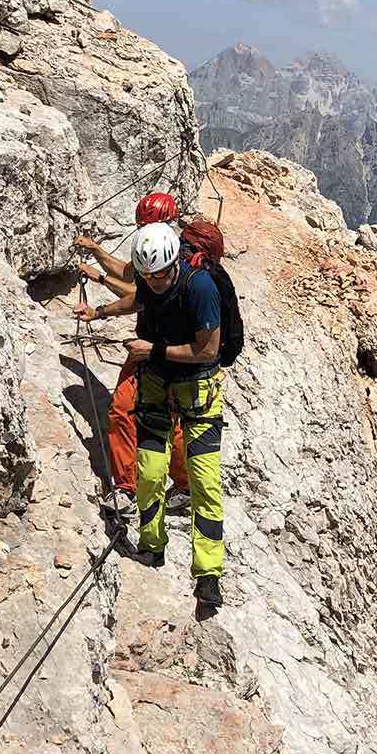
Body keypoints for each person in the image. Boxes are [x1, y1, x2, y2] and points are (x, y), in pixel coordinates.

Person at [74, 222, 226, 610]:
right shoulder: (150, 279)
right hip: (157, 389)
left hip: (198, 392)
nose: (156, 283)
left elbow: (208, 351)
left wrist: (152, 351)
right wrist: (99, 312)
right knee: (149, 471)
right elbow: (137, 299)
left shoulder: (201, 288)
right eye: (149, 276)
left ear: (174, 263)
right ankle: (152, 546)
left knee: (205, 483)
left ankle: (208, 574)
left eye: (161, 275)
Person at [74, 193, 189, 523]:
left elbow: (136, 297)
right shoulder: (161, 251)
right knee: (146, 415)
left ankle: (146, 487)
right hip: (162, 350)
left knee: (141, 414)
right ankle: (153, 487)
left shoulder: (170, 262)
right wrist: (97, 253)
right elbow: (129, 273)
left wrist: (98, 297)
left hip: (161, 351)